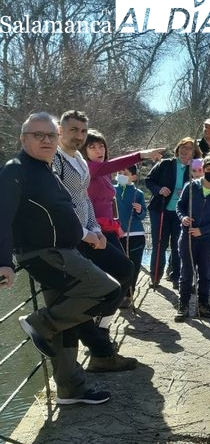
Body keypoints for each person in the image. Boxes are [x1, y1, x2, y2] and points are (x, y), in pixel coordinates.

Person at [0, 112, 123, 404]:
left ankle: (71, 389)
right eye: (37, 135)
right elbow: (1, 217)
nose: (46, 140)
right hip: (46, 254)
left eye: (50, 135)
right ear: (23, 138)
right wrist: (3, 261)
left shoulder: (46, 168)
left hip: (64, 251)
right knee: (109, 289)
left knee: (65, 323)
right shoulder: (15, 169)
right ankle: (40, 323)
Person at [51, 110, 137, 372]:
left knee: (125, 270)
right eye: (73, 130)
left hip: (93, 233)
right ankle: (99, 349)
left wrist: (96, 229)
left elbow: (83, 199)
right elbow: (61, 205)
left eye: (83, 131)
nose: (78, 135)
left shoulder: (77, 158)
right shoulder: (54, 160)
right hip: (69, 238)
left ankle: (99, 331)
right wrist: (87, 233)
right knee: (94, 287)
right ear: (60, 131)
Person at [81, 129, 163, 307]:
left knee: (125, 272)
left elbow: (109, 203)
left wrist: (116, 225)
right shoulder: (88, 168)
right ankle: (95, 316)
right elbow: (112, 166)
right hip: (94, 232)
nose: (98, 150)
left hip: (109, 230)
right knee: (118, 272)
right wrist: (141, 155)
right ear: (83, 151)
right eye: (92, 147)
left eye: (101, 146)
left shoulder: (104, 174)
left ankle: (102, 318)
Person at [174, 155, 210, 321]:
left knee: (205, 274)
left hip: (207, 239)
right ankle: (183, 305)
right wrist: (183, 217)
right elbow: (180, 206)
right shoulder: (190, 186)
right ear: (203, 169)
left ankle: (203, 304)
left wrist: (203, 230)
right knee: (186, 272)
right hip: (188, 237)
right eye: (209, 169)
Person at [146, 137, 201, 287]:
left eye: (189, 148)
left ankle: (176, 277)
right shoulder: (165, 164)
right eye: (182, 146)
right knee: (159, 244)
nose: (184, 150)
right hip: (160, 209)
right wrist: (159, 190)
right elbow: (149, 180)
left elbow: (202, 183)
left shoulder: (195, 166)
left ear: (194, 152)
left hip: (181, 213)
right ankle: (155, 276)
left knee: (179, 245)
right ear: (177, 149)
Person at [115, 165, 147, 306]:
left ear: (133, 177)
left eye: (125, 173)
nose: (121, 174)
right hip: (116, 234)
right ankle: (118, 293)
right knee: (118, 266)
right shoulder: (111, 190)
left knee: (133, 266)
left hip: (135, 234)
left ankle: (129, 294)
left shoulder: (138, 193)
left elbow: (143, 215)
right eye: (119, 172)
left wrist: (139, 210)